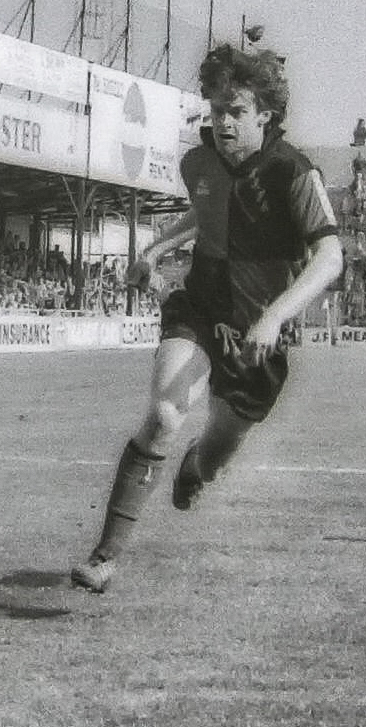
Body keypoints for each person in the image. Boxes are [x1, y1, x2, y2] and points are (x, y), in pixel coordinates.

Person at [70, 40, 343, 595]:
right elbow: (207, 208)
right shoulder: (198, 162)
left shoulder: (295, 174)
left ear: (265, 114)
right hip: (200, 307)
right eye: (216, 110)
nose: (223, 122)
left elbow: (330, 257)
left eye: (236, 112)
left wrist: (273, 317)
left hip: (260, 334)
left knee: (217, 451)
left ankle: (198, 468)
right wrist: (153, 250)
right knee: (164, 416)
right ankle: (105, 556)